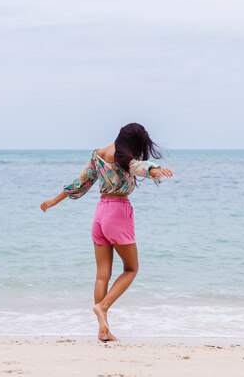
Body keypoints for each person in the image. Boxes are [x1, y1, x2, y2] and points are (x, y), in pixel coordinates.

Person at [40, 123, 174, 341]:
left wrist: (54, 200)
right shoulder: (124, 158)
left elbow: (81, 182)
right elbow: (138, 167)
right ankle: (102, 307)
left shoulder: (98, 155)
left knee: (102, 275)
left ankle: (102, 330)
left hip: (100, 214)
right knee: (131, 269)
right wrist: (155, 170)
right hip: (118, 214)